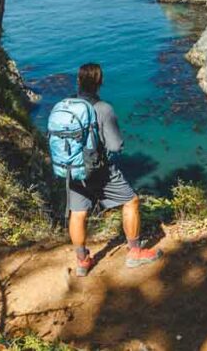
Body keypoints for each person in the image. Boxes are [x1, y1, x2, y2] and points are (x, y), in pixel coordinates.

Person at [67, 62, 162, 277]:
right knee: (131, 201)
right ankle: (135, 252)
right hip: (98, 171)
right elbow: (115, 145)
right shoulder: (103, 109)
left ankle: (82, 262)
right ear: (100, 83)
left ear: (78, 81)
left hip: (72, 169)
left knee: (78, 213)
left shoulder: (67, 105)